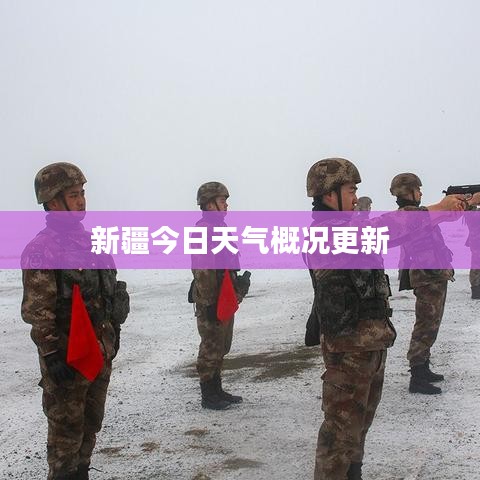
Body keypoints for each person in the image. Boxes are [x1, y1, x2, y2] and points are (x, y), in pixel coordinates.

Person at [21, 162, 129, 480]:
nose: (81, 200)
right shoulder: (42, 249)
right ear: (53, 202)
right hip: (67, 357)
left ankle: (82, 472)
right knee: (66, 433)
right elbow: (38, 309)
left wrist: (114, 329)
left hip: (99, 349)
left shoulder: (94, 242)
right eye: (73, 195)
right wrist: (52, 354)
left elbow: (109, 290)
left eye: (82, 193)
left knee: (91, 424)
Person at [306, 158, 396, 480]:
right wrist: (439, 209)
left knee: (358, 428)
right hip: (349, 352)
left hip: (371, 344)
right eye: (350, 190)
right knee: (340, 435)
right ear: (330, 195)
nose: (356, 198)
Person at [390, 172, 466, 394]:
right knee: (425, 325)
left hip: (433, 275)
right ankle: (417, 375)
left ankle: (423, 368)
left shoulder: (418, 214)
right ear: (408, 192)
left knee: (431, 324)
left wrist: (464, 204)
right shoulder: (410, 216)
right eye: (418, 189)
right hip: (427, 277)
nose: (421, 193)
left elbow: (445, 216)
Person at [189, 181, 250, 410]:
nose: (226, 205)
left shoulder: (219, 230)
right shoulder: (203, 231)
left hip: (223, 297)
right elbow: (203, 271)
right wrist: (209, 304)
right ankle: (209, 395)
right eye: (222, 201)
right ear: (209, 204)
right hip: (211, 300)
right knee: (210, 347)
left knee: (222, 345)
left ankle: (217, 390)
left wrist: (237, 286)